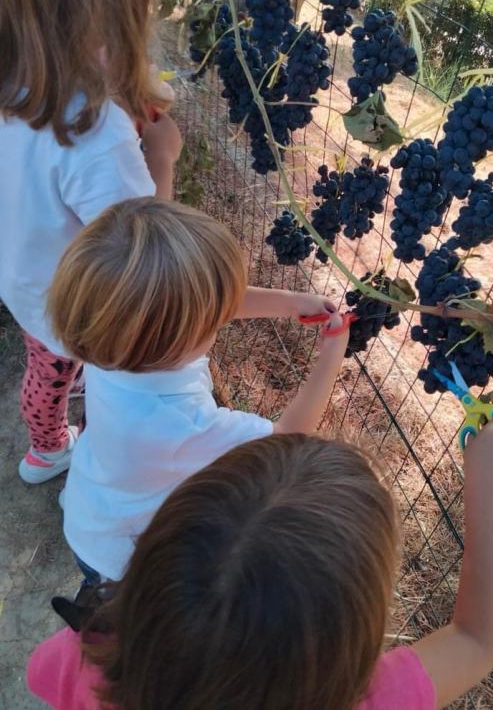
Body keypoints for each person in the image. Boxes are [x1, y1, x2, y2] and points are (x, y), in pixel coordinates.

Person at [27, 419, 493, 709]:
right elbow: (478, 639)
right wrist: (487, 490)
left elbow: (39, 676)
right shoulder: (374, 701)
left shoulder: (87, 656)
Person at [0, 0, 183, 485]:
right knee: (55, 371)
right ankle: (47, 449)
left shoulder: (15, 80)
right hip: (69, 308)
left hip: (21, 274)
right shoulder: (96, 137)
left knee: (42, 354)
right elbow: (143, 255)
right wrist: (161, 160)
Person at [47, 197, 346, 584]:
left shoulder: (113, 343)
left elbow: (205, 304)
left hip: (94, 504)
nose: (220, 319)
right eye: (213, 319)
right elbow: (289, 437)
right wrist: (332, 353)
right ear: (178, 332)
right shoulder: (177, 423)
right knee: (117, 631)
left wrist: (290, 303)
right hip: (118, 559)